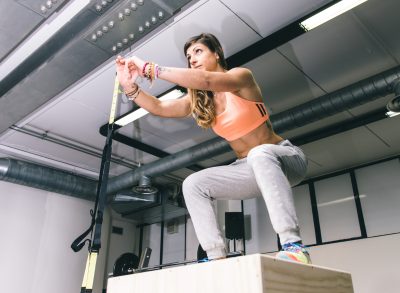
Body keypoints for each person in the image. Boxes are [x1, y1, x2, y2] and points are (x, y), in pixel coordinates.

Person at [116, 33, 311, 264]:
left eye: (198, 51)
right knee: (193, 184)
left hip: (285, 159)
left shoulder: (240, 77)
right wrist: (130, 88)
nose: (193, 59)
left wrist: (151, 68)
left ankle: (293, 245)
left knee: (260, 153)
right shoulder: (201, 100)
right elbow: (159, 106)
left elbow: (206, 80)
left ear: (216, 53)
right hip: (248, 170)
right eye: (189, 57)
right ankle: (216, 257)